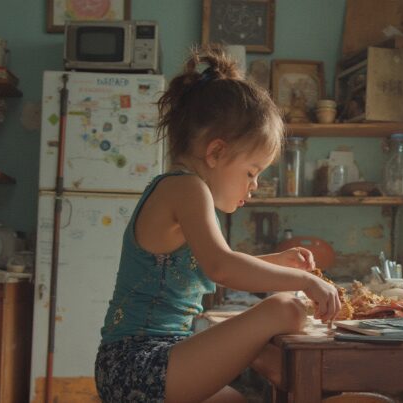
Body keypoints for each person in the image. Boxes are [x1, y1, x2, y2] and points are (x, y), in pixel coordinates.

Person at [94, 45, 341, 403]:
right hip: (139, 365)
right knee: (285, 308)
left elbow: (203, 267)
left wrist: (276, 261)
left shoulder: (183, 189)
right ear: (216, 153)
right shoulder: (186, 187)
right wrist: (306, 279)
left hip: (137, 364)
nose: (254, 186)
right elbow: (222, 266)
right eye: (252, 172)